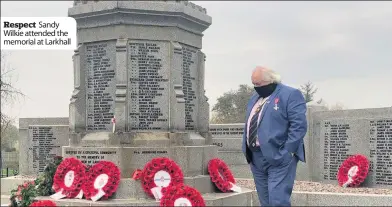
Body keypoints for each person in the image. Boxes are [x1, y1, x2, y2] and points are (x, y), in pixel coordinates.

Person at [242, 66, 307, 206]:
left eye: (258, 84)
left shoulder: (290, 94)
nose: (255, 87)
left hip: (279, 155)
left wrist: (287, 152)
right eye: (253, 84)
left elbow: (299, 126)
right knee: (265, 202)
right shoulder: (255, 98)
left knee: (277, 201)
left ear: (270, 81)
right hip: (256, 157)